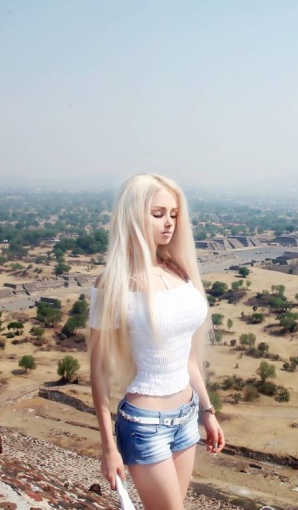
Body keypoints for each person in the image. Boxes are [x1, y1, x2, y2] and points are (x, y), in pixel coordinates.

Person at [89, 173, 225, 510]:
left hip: (187, 415)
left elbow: (188, 356)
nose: (169, 223)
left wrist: (207, 411)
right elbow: (98, 372)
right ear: (134, 215)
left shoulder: (179, 270)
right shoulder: (113, 284)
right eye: (158, 213)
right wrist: (108, 448)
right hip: (145, 425)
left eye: (174, 214)